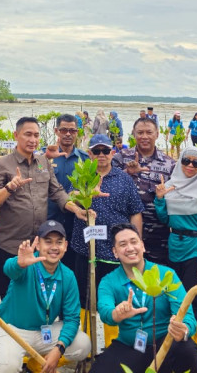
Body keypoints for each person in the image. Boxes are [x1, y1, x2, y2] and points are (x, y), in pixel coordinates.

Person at [0, 116, 89, 299]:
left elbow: (57, 192)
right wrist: (10, 187)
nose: (33, 140)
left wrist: (76, 209)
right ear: (16, 135)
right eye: (28, 135)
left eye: (36, 135)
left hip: (38, 245)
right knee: (10, 296)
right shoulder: (2, 164)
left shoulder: (44, 162)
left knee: (37, 296)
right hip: (10, 244)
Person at [91, 223, 197, 373]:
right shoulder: (108, 281)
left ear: (142, 246)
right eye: (123, 244)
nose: (130, 248)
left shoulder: (166, 274)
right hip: (130, 345)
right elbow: (105, 311)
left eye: (134, 242)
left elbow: (187, 316)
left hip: (165, 343)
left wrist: (183, 330)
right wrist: (116, 313)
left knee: (186, 350)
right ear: (115, 252)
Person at [0, 221, 92, 373]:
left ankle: (35, 367)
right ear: (38, 245)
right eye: (48, 242)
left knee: (83, 344)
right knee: (5, 366)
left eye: (59, 242)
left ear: (66, 246)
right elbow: (9, 269)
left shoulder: (68, 276)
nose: (54, 247)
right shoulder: (27, 263)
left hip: (42, 332)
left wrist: (58, 350)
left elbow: (72, 319)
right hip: (10, 329)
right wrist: (19, 263)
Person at [71, 134, 143, 348]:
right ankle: (87, 346)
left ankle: (115, 347)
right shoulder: (83, 176)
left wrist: (136, 245)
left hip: (114, 253)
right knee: (85, 299)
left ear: (112, 153)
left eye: (105, 151)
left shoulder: (124, 179)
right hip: (86, 251)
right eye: (96, 151)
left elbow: (136, 212)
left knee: (115, 298)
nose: (101, 155)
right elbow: (67, 197)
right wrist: (81, 196)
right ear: (89, 154)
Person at [154, 146, 197, 354]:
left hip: (195, 251)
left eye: (196, 163)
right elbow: (165, 219)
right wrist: (161, 199)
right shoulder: (170, 187)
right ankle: (180, 335)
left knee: (196, 297)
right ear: (180, 163)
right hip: (174, 248)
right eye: (186, 161)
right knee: (175, 296)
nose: (190, 166)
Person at [112, 118, 175, 265]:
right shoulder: (120, 158)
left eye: (149, 132)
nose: (144, 136)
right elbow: (108, 185)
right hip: (123, 230)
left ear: (157, 134)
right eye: (140, 132)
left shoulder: (170, 164)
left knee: (154, 278)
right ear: (133, 134)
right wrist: (127, 172)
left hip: (157, 234)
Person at [46, 114, 89, 267]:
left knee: (70, 265)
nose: (68, 134)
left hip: (74, 221)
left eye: (72, 130)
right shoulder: (45, 156)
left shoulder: (84, 159)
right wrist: (44, 159)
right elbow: (36, 176)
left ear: (78, 132)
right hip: (48, 218)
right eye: (64, 130)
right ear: (56, 131)